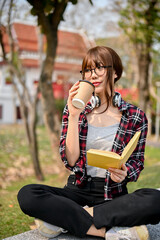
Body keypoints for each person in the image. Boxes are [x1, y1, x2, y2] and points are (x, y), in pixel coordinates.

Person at [17, 46, 160, 240]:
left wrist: (125, 172)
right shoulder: (75, 111)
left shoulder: (136, 116)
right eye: (87, 70)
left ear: (115, 72)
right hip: (77, 191)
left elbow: (137, 163)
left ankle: (64, 220)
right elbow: (71, 161)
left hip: (113, 196)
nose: (92, 75)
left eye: (99, 67)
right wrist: (74, 115)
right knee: (28, 194)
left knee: (155, 199)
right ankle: (103, 231)